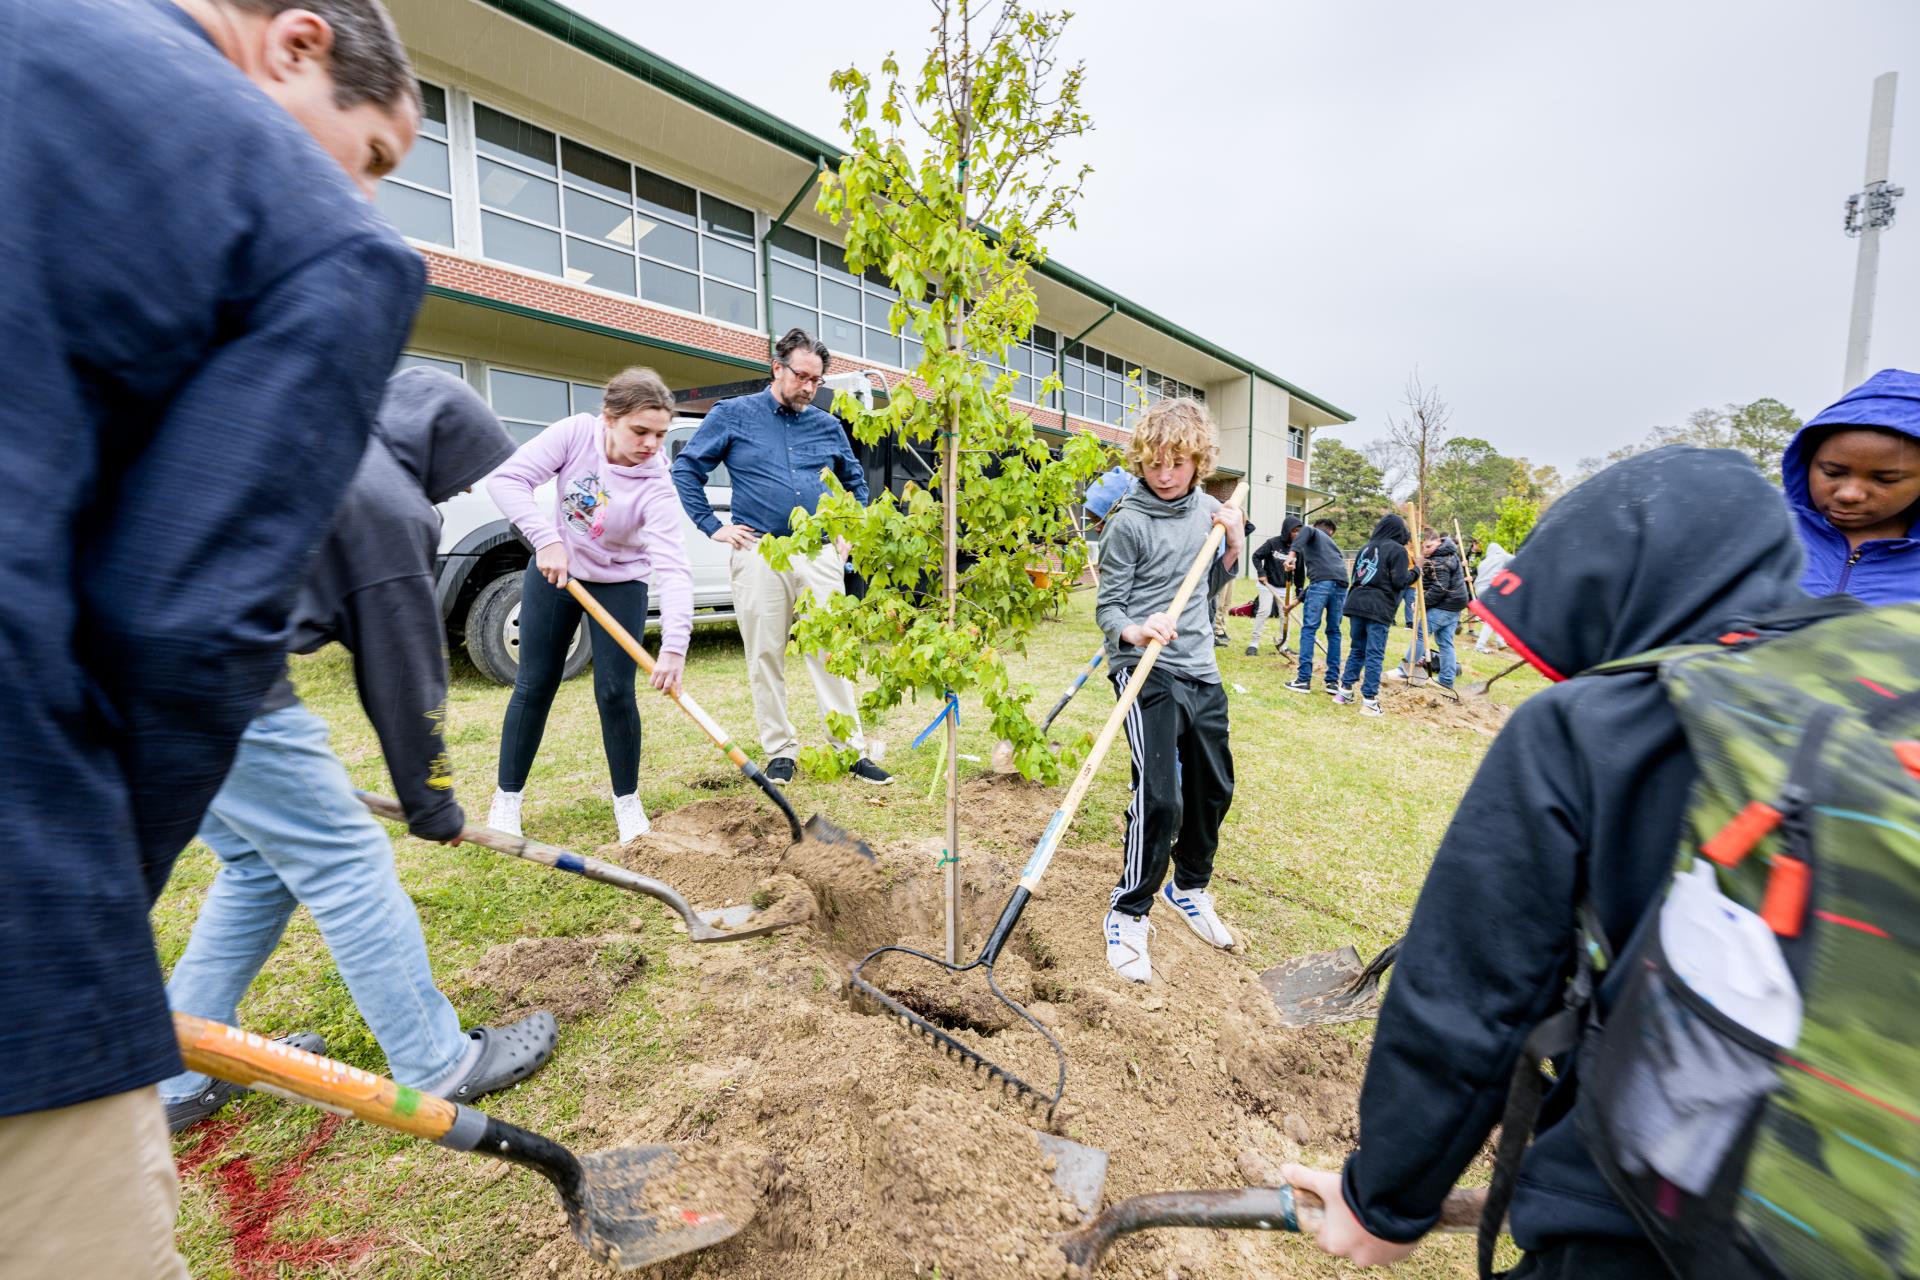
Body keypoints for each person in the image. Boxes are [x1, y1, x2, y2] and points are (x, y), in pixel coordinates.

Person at [0, 0, 424, 1270]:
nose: (369, 195)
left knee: (261, 863)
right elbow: (184, 627)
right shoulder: (305, 224)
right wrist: (88, 913)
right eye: (381, 159)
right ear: (296, 44)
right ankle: (435, 1052)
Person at [1282, 446, 1808, 1279]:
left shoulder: (1604, 724)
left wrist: (1385, 1200)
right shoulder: (1892, 696)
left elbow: (1474, 994)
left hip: (1648, 1214)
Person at [162, 369, 558, 1131]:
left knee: (258, 863)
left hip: (122, 671)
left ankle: (177, 1074)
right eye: (455, 480)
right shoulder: (383, 498)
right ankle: (439, 1061)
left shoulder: (318, 446)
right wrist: (431, 798)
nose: (446, 499)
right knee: (345, 861)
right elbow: (406, 674)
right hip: (209, 673)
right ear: (439, 447)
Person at [671, 328, 891, 786]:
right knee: (765, 653)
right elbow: (686, 469)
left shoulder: (827, 424)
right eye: (802, 377)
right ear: (777, 368)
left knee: (831, 653)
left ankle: (851, 750)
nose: (809, 387)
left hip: (817, 554)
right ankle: (780, 751)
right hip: (759, 552)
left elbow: (855, 483)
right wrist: (713, 527)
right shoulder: (732, 415)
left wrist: (848, 527)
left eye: (817, 380)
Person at [487, 368, 696, 841]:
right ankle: (507, 798)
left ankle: (627, 804)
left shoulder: (657, 484)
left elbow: (673, 569)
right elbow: (507, 480)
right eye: (640, 431)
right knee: (535, 683)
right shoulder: (575, 434)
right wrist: (545, 539)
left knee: (615, 692)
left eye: (660, 435)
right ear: (609, 418)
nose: (651, 445)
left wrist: (675, 647)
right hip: (556, 574)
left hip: (621, 583)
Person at [1094, 399, 1244, 983]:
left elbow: (1216, 580)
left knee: (1213, 790)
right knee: (1161, 798)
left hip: (1200, 668)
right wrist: (1137, 628)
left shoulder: (1212, 511)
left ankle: (1190, 888)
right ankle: (1129, 912)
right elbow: (1109, 608)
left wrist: (1232, 545)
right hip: (1142, 667)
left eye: (1177, 463)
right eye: (1155, 462)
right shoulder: (1127, 521)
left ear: (1197, 461)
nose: (1164, 474)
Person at [1782, 368, 1920, 605]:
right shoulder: (1761, 527)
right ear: (1806, 462)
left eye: (1886, 479)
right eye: (1832, 472)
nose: (1848, 494)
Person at [1336, 514, 1420, 715]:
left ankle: (1344, 691)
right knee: (1374, 653)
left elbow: (1357, 576)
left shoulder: (1366, 547)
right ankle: (1370, 702)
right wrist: (1417, 570)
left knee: (1358, 649)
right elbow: (1400, 581)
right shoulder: (1397, 550)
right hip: (1378, 606)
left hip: (1356, 603)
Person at [1390, 531, 1469, 689]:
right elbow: (1430, 582)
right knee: (1445, 642)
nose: (1426, 549)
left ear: (1439, 542)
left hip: (1446, 604)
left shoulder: (1441, 559)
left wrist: (1421, 603)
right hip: (1455, 604)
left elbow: (1439, 588)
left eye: (1429, 546)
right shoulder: (1446, 554)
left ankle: (1404, 670)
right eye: (1424, 546)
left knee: (1420, 633)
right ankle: (1446, 680)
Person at [1282, 517, 1349, 694]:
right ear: (1331, 533)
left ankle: (1303, 680)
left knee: (1309, 629)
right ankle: (1333, 682)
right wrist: (1294, 603)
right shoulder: (1332, 549)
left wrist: (1291, 556)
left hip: (1323, 583)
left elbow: (1307, 531)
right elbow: (1318, 582)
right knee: (1334, 631)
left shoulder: (1312, 532)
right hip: (1341, 584)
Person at [1246, 516, 1304, 655]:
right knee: (1264, 611)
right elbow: (1256, 556)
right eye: (1294, 531)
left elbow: (1300, 570)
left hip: (1286, 587)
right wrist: (1261, 573)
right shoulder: (1273, 543)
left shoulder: (1299, 549)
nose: (1297, 534)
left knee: (1286, 616)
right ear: (1287, 531)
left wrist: (1299, 588)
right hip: (1268, 584)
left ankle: (1283, 645)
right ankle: (1253, 644)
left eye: (1299, 531)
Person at [1473, 540, 1515, 653]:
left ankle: (1500, 641)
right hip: (1490, 590)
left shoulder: (1483, 562)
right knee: (1492, 618)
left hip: (1479, 591)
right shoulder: (1501, 556)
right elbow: (1517, 561)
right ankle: (1480, 646)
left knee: (1496, 616)